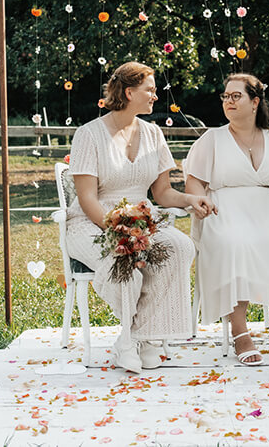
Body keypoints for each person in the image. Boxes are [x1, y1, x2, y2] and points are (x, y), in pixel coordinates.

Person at [64, 61, 214, 375]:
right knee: (128, 267)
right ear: (129, 92)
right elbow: (88, 198)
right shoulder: (88, 135)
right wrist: (118, 230)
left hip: (142, 220)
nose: (155, 96)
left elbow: (162, 193)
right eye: (150, 90)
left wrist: (190, 199)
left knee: (180, 247)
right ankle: (133, 340)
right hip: (92, 222)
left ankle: (140, 337)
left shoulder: (153, 133)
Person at [184, 73, 269, 365]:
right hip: (226, 208)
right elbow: (194, 183)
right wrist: (200, 200)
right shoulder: (212, 139)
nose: (229, 102)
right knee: (236, 242)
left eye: (236, 96)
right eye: (226, 96)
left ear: (255, 102)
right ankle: (240, 332)